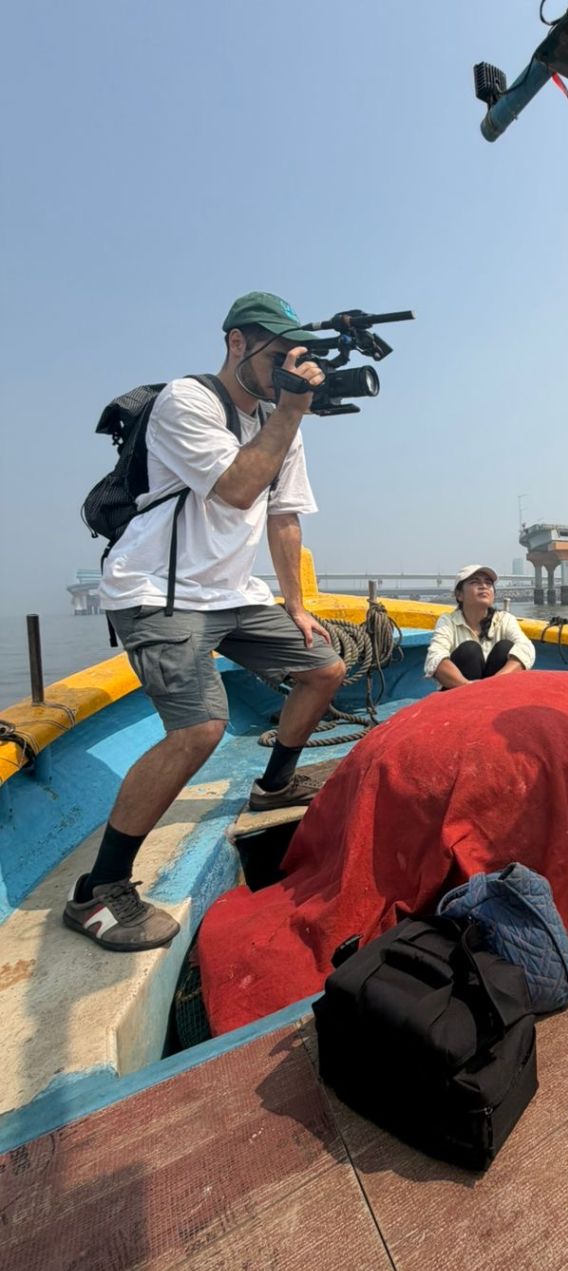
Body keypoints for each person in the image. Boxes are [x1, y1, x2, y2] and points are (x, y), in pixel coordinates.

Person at [66, 292, 348, 952]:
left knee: (325, 668)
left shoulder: (280, 420)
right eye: (277, 356)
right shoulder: (186, 401)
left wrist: (295, 605)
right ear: (236, 343)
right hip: (157, 592)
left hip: (232, 594)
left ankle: (274, 786)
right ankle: (97, 891)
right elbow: (238, 488)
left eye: (296, 359)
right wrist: (293, 410)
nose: (288, 370)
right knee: (199, 728)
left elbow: (283, 517)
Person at [425, 565, 536, 688]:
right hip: (460, 692)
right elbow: (435, 658)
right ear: (459, 594)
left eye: (488, 583)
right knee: (470, 650)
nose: (483, 586)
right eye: (474, 582)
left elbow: (526, 648)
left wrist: (492, 684)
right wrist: (470, 687)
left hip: (497, 691)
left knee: (505, 648)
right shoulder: (448, 621)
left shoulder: (504, 619)